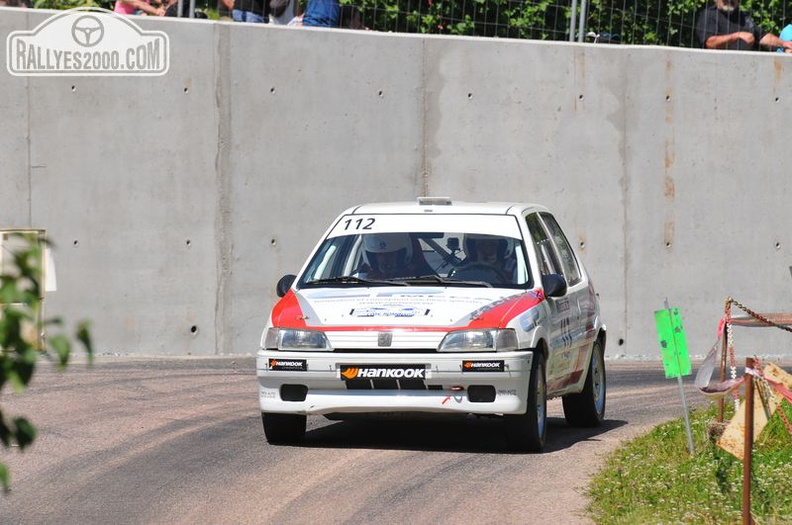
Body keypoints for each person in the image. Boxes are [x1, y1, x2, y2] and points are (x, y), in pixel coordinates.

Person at [696, 0, 792, 52]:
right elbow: (709, 43)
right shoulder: (709, 15)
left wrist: (783, 43)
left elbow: (762, 36)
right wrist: (736, 36)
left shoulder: (742, 16)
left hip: (744, 66)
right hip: (716, 67)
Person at [358, 233, 432, 279]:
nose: (385, 259)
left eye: (390, 253)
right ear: (372, 257)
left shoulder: (420, 276)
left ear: (401, 254)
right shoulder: (360, 279)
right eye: (380, 254)